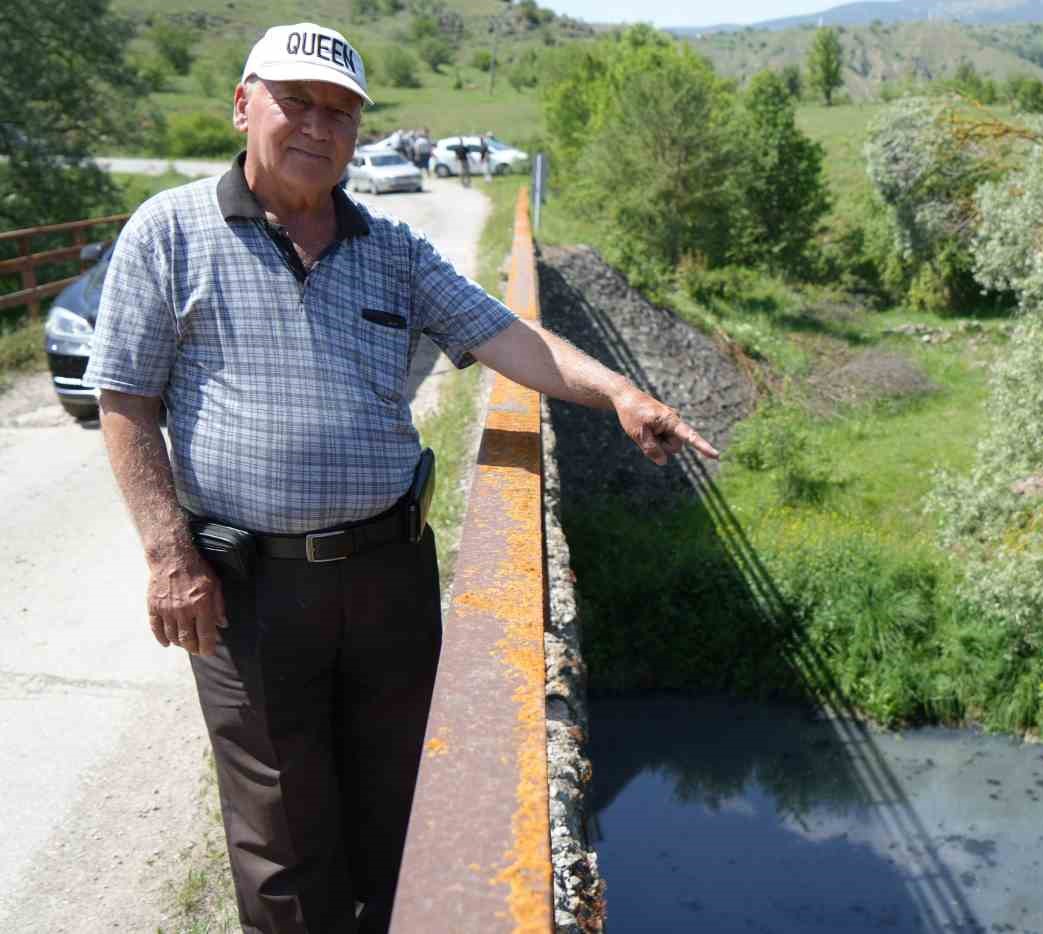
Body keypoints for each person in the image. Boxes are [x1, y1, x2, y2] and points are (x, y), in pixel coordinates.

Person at [83, 21, 717, 934]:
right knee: (281, 835)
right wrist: (167, 556)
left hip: (389, 578)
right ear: (242, 104)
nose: (317, 125)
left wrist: (618, 391)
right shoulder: (169, 233)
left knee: (405, 799)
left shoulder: (392, 250)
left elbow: (514, 339)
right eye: (296, 101)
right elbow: (125, 400)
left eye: (340, 111)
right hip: (246, 589)